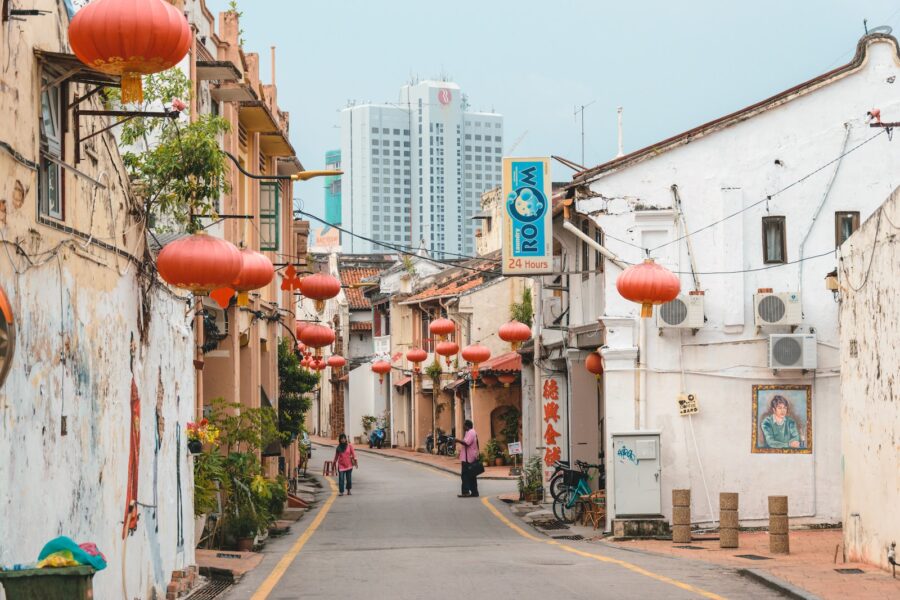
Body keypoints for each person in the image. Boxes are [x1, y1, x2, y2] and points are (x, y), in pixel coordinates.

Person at [454, 420, 480, 498]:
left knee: (465, 475)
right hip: (469, 457)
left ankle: (466, 492)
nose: (463, 427)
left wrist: (457, 440)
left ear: (467, 426)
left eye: (464, 425)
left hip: (468, 458)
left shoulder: (471, 432)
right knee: (471, 476)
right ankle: (474, 492)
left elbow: (466, 443)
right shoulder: (469, 432)